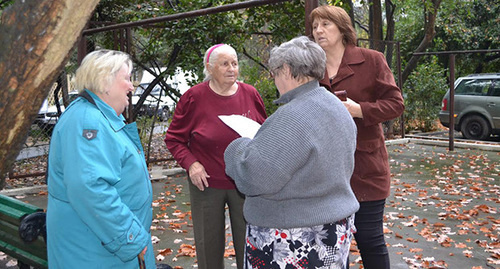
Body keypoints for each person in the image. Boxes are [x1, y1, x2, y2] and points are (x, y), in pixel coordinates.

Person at [224, 36, 359, 269]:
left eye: (274, 72)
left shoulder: (292, 117)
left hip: (293, 239)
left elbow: (254, 177)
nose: (274, 78)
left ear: (286, 70)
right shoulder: (335, 105)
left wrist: (236, 148)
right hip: (334, 231)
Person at [310, 5, 405, 269]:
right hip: (326, 170)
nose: (318, 30)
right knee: (330, 244)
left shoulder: (371, 59)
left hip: (366, 167)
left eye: (325, 25)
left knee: (370, 240)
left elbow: (396, 104)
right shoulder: (311, 68)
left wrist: (359, 110)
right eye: (315, 26)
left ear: (342, 29)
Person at [46, 50, 156, 269]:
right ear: (105, 82)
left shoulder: (94, 116)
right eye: (126, 78)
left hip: (101, 246)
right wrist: (131, 237)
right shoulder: (89, 121)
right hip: (96, 250)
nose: (131, 86)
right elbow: (89, 188)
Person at [164, 44, 267, 269]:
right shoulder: (193, 97)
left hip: (245, 181)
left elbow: (265, 133)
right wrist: (191, 165)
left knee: (250, 245)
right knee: (208, 245)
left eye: (235, 63)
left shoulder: (250, 94)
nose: (231, 69)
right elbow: (173, 139)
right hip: (206, 183)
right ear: (210, 69)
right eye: (224, 64)